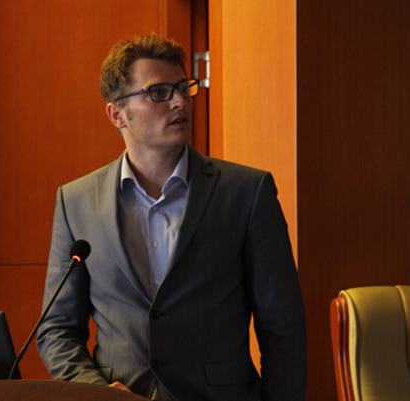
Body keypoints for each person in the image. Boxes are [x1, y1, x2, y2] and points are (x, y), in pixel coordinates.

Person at [36, 33, 306, 401]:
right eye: (159, 92)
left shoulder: (246, 192)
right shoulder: (77, 201)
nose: (179, 101)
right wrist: (98, 393)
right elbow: (57, 329)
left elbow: (282, 325)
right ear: (117, 114)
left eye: (183, 88)